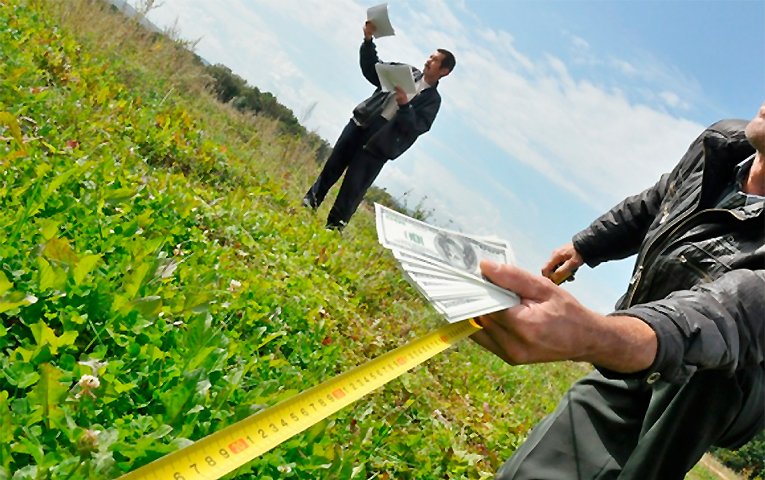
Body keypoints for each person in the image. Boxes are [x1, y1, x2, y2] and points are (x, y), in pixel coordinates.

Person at [471, 102, 765, 479]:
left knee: (707, 368)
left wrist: (592, 334)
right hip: (640, 338)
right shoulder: (720, 145)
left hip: (716, 378)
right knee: (540, 462)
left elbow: (727, 315)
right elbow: (660, 199)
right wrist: (586, 246)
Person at [303, 20, 455, 230]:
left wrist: (405, 105)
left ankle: (334, 227)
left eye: (435, 60)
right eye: (430, 56)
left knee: (354, 186)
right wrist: (368, 40)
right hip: (362, 123)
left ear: (444, 71)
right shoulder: (407, 72)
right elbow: (373, 69)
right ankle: (309, 203)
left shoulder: (432, 101)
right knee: (332, 166)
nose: (429, 61)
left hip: (381, 142)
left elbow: (416, 127)